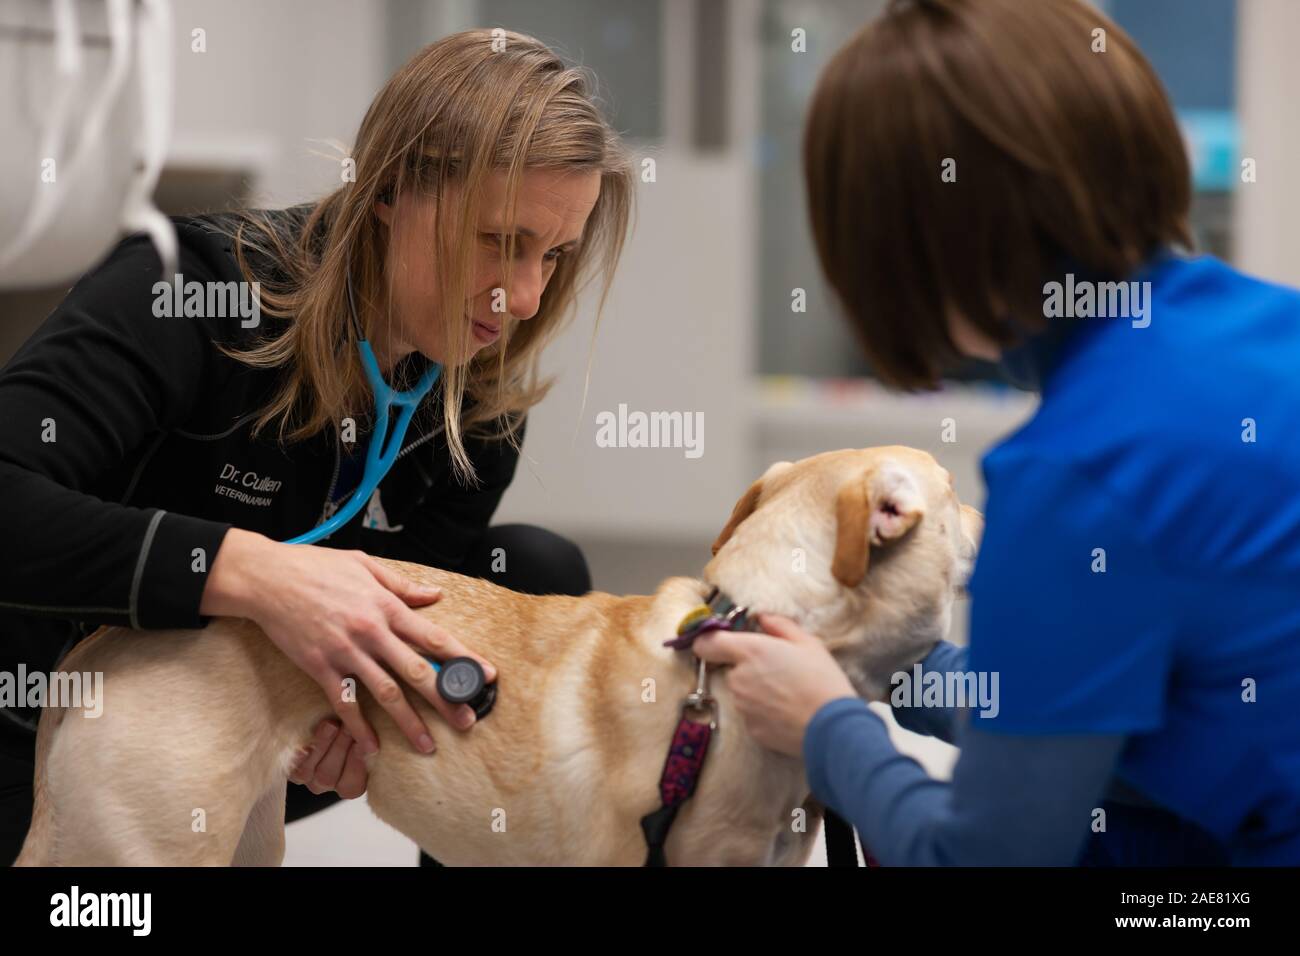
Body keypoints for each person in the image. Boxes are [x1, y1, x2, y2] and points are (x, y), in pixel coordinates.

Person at [0, 28, 633, 866]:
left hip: (254, 725)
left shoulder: (476, 410)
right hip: (48, 708)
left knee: (537, 574)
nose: (522, 297)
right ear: (392, 188)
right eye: (499, 241)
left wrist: (345, 718)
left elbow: (394, 636)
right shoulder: (191, 288)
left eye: (553, 256)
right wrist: (252, 573)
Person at [694, 0, 1300, 865]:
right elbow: (1134, 714)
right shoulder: (1271, 330)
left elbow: (980, 857)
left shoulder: (1078, 471)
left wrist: (826, 726)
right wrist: (901, 674)